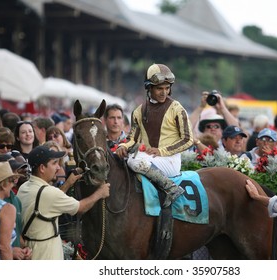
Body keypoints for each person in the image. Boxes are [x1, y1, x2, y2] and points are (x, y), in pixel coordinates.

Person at [116, 63, 193, 207]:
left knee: (133, 161)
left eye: (167, 88)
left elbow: (188, 140)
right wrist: (122, 145)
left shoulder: (177, 108)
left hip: (170, 161)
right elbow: (132, 138)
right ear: (149, 88)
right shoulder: (138, 111)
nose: (164, 92)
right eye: (159, 88)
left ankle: (171, 188)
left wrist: (161, 151)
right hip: (149, 159)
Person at [17, 146, 110, 260]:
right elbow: (80, 207)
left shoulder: (24, 187)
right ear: (42, 168)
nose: (58, 167)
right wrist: (100, 193)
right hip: (47, 256)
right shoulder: (49, 193)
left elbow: (49, 203)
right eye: (54, 163)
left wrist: (68, 183)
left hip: (31, 252)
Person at [0, 154, 32, 260]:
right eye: (12, 171)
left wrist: (25, 248)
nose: (16, 174)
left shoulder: (16, 199)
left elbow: (18, 233)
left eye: (17, 170)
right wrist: (10, 250)